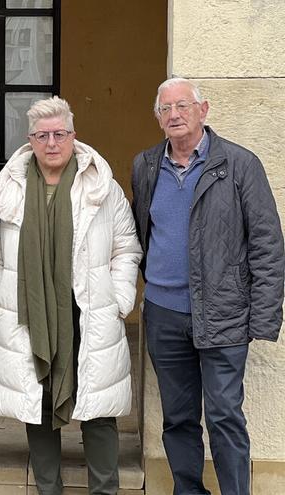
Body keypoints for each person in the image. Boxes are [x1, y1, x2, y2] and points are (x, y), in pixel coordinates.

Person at [131, 77, 284, 495]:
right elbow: (141, 233)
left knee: (224, 416)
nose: (175, 115)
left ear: (204, 110)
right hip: (163, 314)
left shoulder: (239, 164)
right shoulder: (145, 166)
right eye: (165, 109)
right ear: (158, 118)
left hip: (224, 313)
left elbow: (268, 243)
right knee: (178, 417)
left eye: (183, 106)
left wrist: (263, 316)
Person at [0, 96, 142, 495]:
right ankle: (47, 489)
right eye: (42, 136)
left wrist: (120, 297)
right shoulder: (11, 188)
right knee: (38, 401)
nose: (51, 143)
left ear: (73, 136)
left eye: (59, 134)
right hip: (31, 313)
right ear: (30, 140)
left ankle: (104, 490)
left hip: (88, 311)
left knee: (99, 407)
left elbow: (126, 247)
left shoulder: (101, 187)